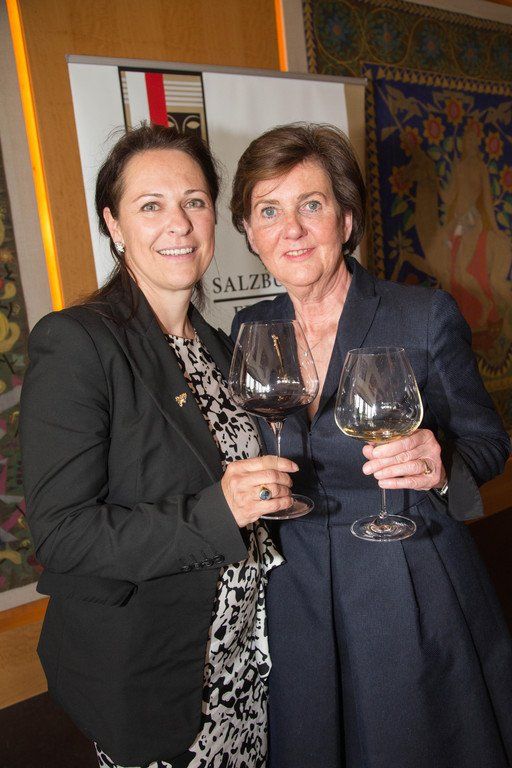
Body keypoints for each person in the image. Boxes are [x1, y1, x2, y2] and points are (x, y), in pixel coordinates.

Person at [230, 122, 512, 768]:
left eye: (312, 205)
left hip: (406, 576)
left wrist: (443, 464)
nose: (291, 229)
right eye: (268, 211)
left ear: (347, 219)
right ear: (248, 231)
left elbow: (489, 440)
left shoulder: (422, 314)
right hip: (294, 584)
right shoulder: (251, 326)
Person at [20, 124, 297, 768]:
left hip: (248, 663)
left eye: (194, 201)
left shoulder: (221, 346)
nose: (179, 223)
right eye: (151, 205)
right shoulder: (78, 343)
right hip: (160, 675)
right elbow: (62, 535)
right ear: (113, 225)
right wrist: (219, 511)